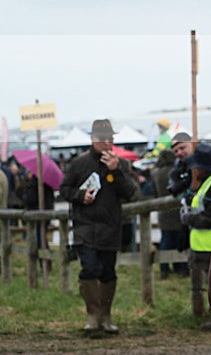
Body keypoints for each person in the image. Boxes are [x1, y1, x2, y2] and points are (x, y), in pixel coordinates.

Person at [59, 119, 139, 334]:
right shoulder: (78, 164)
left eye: (110, 139)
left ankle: (106, 315)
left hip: (111, 227)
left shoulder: (121, 164)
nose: (106, 143)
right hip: (84, 226)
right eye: (102, 139)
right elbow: (64, 189)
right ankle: (92, 315)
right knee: (89, 269)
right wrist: (79, 195)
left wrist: (116, 171)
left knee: (107, 272)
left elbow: (131, 192)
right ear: (93, 139)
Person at [179, 143, 211, 325]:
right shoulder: (210, 179)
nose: (194, 168)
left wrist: (189, 219)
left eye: (196, 166)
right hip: (206, 243)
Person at [150, 149, 188, 279]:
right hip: (177, 211)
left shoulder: (155, 173)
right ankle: (181, 268)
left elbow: (155, 193)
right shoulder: (175, 172)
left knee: (165, 241)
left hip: (163, 213)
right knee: (179, 241)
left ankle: (164, 269)